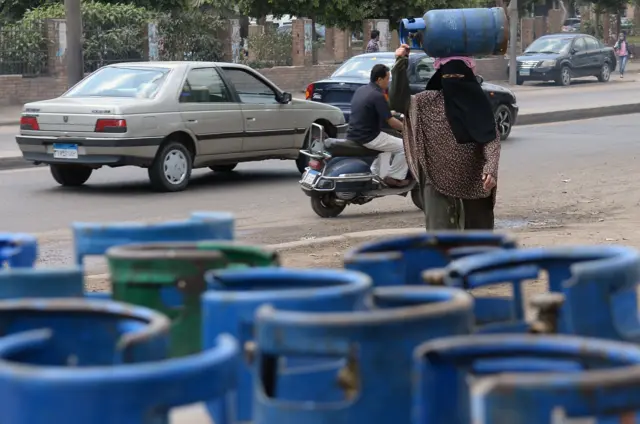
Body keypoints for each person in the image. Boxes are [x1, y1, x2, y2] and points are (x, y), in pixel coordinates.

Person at [388, 44, 500, 230]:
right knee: (440, 241)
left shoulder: (478, 105)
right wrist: (401, 62)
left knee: (479, 241)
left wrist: (491, 168)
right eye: (448, 77)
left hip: (474, 180)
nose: (454, 82)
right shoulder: (427, 102)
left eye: (459, 77)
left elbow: (491, 139)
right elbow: (399, 101)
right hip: (436, 180)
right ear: (440, 78)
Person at [346, 63, 409, 187]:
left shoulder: (362, 90)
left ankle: (376, 174)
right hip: (369, 136)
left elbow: (376, 111)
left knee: (387, 145)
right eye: (387, 79)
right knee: (404, 146)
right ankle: (394, 177)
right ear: (379, 79)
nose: (388, 82)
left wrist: (393, 112)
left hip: (354, 133)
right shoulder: (378, 95)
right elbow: (391, 121)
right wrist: (407, 129)